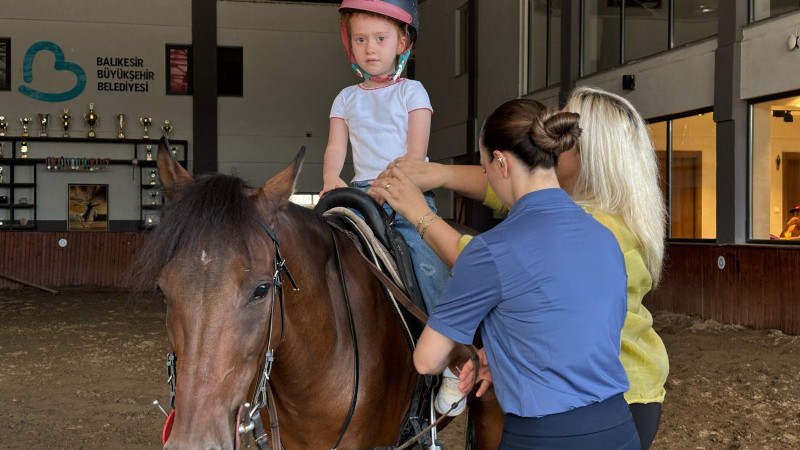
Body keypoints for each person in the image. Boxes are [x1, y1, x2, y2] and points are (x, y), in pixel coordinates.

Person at [369, 86, 668, 449]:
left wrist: (420, 216)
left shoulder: (588, 230)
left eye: (564, 136)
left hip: (583, 406)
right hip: (609, 415)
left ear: (591, 155)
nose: (552, 136)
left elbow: (497, 266)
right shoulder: (597, 230)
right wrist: (441, 174)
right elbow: (518, 191)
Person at [320, 0, 457, 415]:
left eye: (380, 39)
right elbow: (334, 149)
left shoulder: (412, 91)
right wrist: (331, 181)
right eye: (360, 39)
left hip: (406, 188)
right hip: (360, 192)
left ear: (403, 43)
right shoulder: (345, 99)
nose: (370, 48)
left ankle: (451, 354)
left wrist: (390, 187)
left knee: (429, 261)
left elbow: (416, 155)